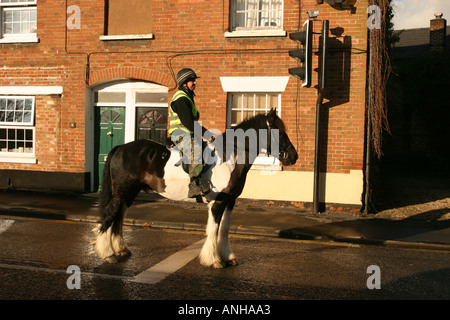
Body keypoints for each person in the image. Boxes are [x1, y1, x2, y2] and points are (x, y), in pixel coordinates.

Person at [169, 68, 210, 198]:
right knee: (196, 148)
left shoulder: (188, 96)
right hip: (180, 133)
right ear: (184, 83)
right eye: (192, 80)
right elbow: (188, 122)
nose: (195, 83)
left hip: (188, 132)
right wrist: (206, 133)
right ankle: (193, 185)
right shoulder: (181, 98)